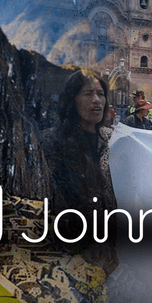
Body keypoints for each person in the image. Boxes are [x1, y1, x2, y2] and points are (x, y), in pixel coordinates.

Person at [42, 69, 117, 242]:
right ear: (71, 100)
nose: (96, 100)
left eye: (100, 94)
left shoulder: (112, 140)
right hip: (72, 245)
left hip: (112, 243)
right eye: (88, 94)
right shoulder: (51, 142)